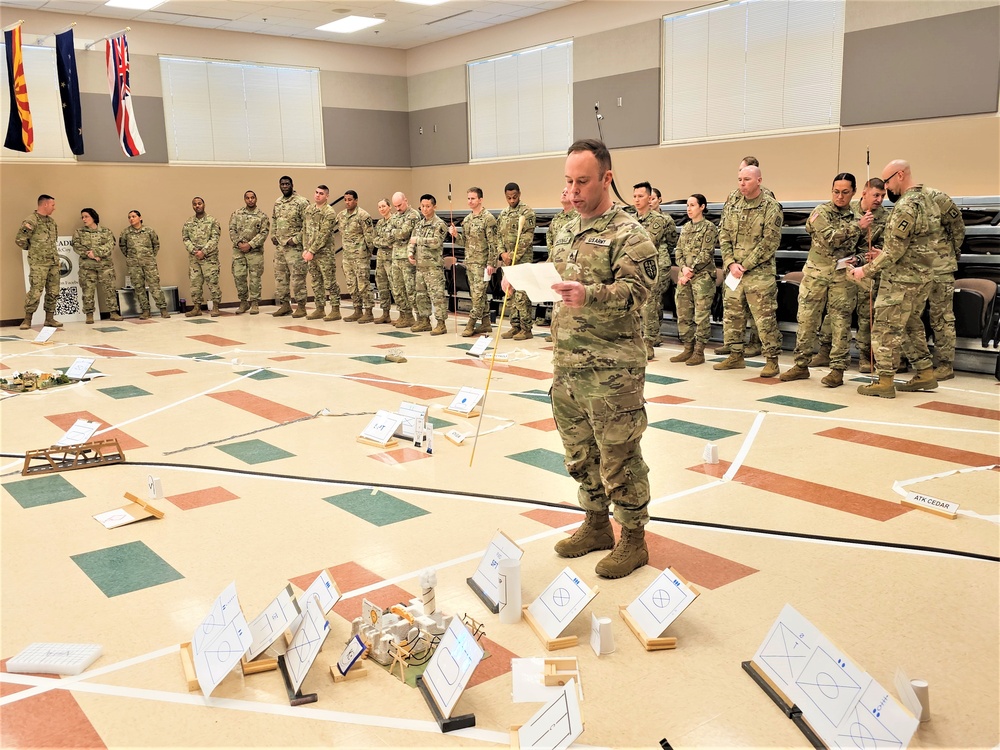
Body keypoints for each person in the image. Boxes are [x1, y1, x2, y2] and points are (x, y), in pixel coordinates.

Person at [544, 139, 658, 579]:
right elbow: (559, 280)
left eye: (582, 182)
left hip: (613, 372)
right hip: (568, 368)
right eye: (568, 181)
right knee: (579, 455)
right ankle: (595, 524)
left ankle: (633, 538)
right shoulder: (568, 228)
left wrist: (590, 295)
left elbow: (637, 294)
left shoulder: (630, 234)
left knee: (620, 456)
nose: (572, 191)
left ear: (607, 178)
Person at [850, 160, 944, 397]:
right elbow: (918, 244)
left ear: (900, 175)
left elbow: (894, 251)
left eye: (888, 182)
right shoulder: (929, 202)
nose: (887, 188)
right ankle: (925, 372)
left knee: (884, 327)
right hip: (923, 276)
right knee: (912, 324)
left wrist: (866, 270)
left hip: (901, 280)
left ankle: (884, 381)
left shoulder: (905, 206)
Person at [780, 174, 870, 387]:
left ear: (854, 192)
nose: (840, 196)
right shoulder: (821, 212)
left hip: (842, 278)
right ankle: (801, 365)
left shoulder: (859, 217)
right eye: (836, 191)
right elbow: (829, 236)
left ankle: (837, 370)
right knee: (807, 320)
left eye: (845, 192)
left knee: (841, 323)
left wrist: (857, 258)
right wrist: (858, 226)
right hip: (816, 276)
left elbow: (864, 252)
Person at [812, 178, 889, 372]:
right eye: (875, 195)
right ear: (863, 192)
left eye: (882, 196)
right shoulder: (849, 210)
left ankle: (864, 355)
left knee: (865, 313)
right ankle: (825, 350)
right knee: (834, 312)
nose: (879, 199)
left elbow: (879, 248)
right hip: (839, 269)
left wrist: (861, 259)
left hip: (864, 269)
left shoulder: (885, 218)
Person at [713, 165, 783, 377]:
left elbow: (770, 241)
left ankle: (772, 360)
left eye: (747, 180)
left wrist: (745, 264)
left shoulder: (771, 207)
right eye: (739, 179)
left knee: (764, 318)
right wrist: (730, 263)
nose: (742, 184)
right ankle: (735, 355)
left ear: (759, 181)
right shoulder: (733, 204)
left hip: (759, 272)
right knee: (732, 314)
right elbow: (723, 234)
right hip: (734, 271)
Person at [670, 194, 719, 366]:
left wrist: (691, 271)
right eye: (687, 206)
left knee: (701, 315)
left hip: (702, 277)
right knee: (683, 313)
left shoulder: (709, 228)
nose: (689, 209)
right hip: (685, 276)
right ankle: (688, 347)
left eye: (692, 205)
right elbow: (678, 251)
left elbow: (706, 253)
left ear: (702, 207)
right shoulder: (685, 228)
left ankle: (699, 351)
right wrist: (683, 268)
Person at [633, 181, 678, 360]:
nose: (637, 200)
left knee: (650, 305)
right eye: (635, 196)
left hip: (654, 267)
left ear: (650, 197)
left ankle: (649, 342)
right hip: (633, 268)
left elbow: (653, 243)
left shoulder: (659, 220)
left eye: (641, 196)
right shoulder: (631, 220)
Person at [924, 186, 965, 381]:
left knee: (941, 317)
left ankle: (945, 364)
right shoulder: (905, 202)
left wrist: (950, 254)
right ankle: (916, 361)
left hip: (940, 267)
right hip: (916, 269)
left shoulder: (938, 198)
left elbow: (958, 227)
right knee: (910, 316)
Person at [450, 186, 499, 336]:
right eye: (468, 198)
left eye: (473, 198)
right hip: (470, 263)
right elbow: (464, 242)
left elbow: (493, 243)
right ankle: (485, 324)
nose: (470, 201)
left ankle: (471, 324)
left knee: (477, 296)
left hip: (483, 264)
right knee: (477, 295)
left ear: (480, 200)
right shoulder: (467, 220)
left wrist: (491, 263)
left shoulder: (488, 219)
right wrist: (455, 235)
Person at [497, 182, 537, 340]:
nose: (512, 200)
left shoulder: (527, 212)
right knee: (510, 294)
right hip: (507, 261)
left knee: (522, 295)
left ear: (519, 194)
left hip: (521, 260)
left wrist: (513, 255)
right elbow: (498, 236)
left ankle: (526, 328)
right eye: (509, 198)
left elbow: (526, 238)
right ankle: (514, 326)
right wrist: (502, 253)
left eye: (514, 197)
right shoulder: (503, 213)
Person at [16, 194, 61, 330]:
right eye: (53, 205)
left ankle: (49, 318)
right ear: (45, 204)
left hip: (53, 262)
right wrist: (35, 252)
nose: (54, 208)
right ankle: (27, 319)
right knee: (36, 291)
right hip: (39, 264)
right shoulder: (31, 220)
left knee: (53, 291)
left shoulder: (52, 222)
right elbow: (20, 240)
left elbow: (54, 241)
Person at [408, 194, 450, 335]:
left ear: (434, 207)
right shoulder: (419, 224)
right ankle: (424, 321)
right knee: (421, 295)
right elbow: (411, 242)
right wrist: (410, 253)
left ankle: (441, 323)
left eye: (428, 206)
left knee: (437, 296)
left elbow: (436, 242)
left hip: (433, 267)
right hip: (420, 266)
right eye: (422, 206)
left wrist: (418, 240)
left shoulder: (439, 224)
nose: (424, 209)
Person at [72, 208, 122, 325]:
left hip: (105, 267)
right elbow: (76, 246)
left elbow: (110, 245)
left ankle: (113, 313)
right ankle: (89, 315)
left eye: (86, 216)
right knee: (88, 291)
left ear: (93, 217)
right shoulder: (79, 232)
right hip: (87, 267)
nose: (84, 219)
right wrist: (90, 255)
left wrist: (97, 253)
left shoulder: (106, 231)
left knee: (109, 290)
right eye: (82, 217)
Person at [119, 210, 169, 319]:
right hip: (134, 265)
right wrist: (131, 258)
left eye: (133, 216)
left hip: (149, 263)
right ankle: (145, 310)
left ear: (140, 218)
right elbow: (123, 247)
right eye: (129, 217)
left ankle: (163, 309)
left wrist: (149, 257)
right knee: (138, 287)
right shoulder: (125, 233)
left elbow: (156, 244)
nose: (131, 219)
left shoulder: (149, 231)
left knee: (154, 286)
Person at [271, 175, 309, 317]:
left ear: (292, 185)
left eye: (287, 184)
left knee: (297, 278)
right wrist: (273, 235)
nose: (285, 186)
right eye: (282, 184)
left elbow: (307, 225)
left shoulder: (301, 202)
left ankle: (301, 306)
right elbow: (274, 219)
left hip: (294, 247)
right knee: (280, 278)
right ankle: (285, 305)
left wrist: (297, 239)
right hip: (280, 248)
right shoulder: (278, 202)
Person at [229, 190, 270, 315]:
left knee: (254, 278)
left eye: (252, 197)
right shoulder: (237, 214)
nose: (250, 200)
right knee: (239, 276)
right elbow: (232, 230)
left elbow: (264, 233)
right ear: (244, 199)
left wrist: (250, 245)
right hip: (239, 251)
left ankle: (254, 303)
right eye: (247, 198)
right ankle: (243, 302)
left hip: (255, 252)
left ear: (256, 199)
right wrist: (240, 244)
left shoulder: (262, 216)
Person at [302, 185, 339, 321]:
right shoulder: (309, 209)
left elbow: (324, 234)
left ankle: (335, 309)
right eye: (316, 192)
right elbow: (305, 230)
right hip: (311, 253)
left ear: (327, 196)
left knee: (330, 282)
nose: (317, 195)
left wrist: (311, 250)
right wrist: (306, 249)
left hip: (324, 253)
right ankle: (319, 309)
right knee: (316, 281)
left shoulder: (329, 212)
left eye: (321, 193)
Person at [338, 190, 376, 324]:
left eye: (350, 200)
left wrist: (368, 252)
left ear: (356, 200)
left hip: (360, 256)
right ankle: (357, 310)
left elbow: (369, 237)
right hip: (347, 256)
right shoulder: (341, 215)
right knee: (351, 284)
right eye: (345, 200)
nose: (347, 202)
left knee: (363, 285)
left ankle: (369, 311)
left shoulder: (363, 215)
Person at [182, 197, 222, 317]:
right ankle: (197, 307)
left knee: (212, 282)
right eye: (194, 204)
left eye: (199, 203)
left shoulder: (212, 221)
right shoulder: (188, 222)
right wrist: (195, 251)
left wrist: (204, 251)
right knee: (195, 283)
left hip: (209, 258)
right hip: (195, 259)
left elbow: (215, 238)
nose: (197, 206)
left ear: (204, 204)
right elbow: (185, 238)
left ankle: (215, 307)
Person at [389, 192, 421, 329]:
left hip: (408, 257)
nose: (397, 208)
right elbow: (388, 233)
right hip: (396, 256)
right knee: (397, 289)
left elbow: (404, 233)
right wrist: (395, 232)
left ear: (406, 201)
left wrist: (394, 232)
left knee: (411, 290)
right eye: (395, 206)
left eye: (400, 205)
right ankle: (405, 315)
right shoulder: (395, 216)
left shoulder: (413, 215)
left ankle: (419, 318)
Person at [371, 197, 395, 324]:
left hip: (392, 259)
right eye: (379, 207)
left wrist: (383, 242)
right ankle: (385, 313)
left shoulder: (394, 221)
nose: (381, 209)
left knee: (396, 287)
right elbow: (374, 240)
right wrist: (384, 243)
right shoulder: (380, 223)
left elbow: (393, 239)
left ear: (389, 206)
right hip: (381, 258)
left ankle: (404, 314)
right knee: (382, 286)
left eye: (384, 206)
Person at [546, 187, 576, 253]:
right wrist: (552, 252)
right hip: (555, 256)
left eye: (567, 192)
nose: (564, 194)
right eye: (563, 192)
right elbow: (549, 236)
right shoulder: (557, 217)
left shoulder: (578, 217)